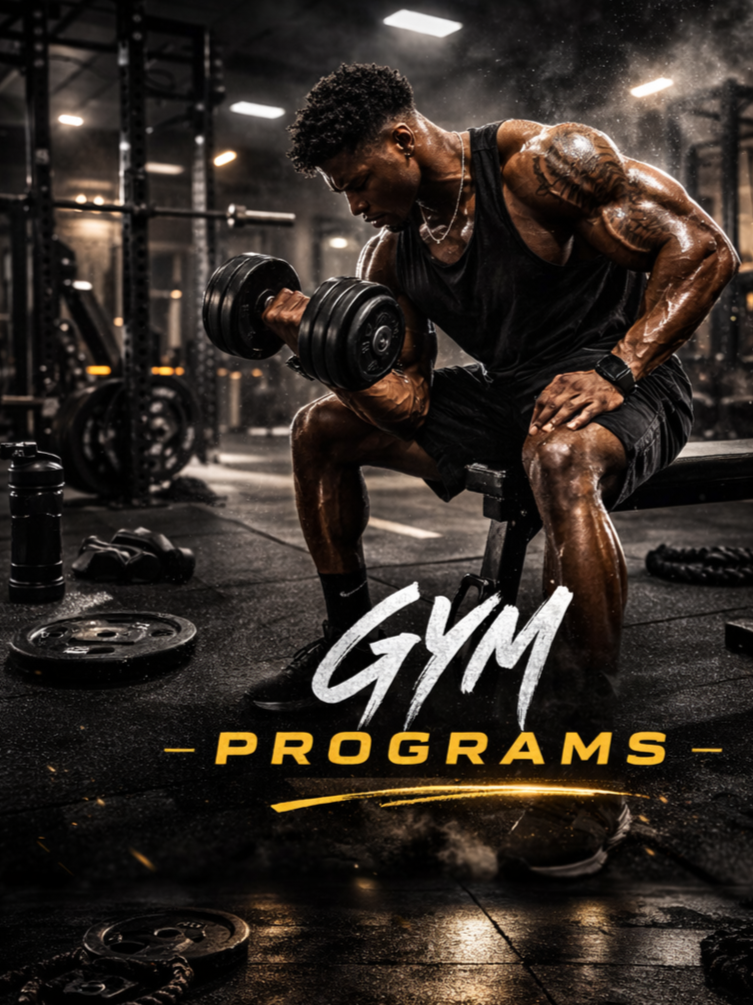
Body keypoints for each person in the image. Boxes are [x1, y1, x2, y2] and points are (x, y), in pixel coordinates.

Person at [245, 63, 738, 875]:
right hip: (510, 391)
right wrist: (316, 342)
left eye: (358, 181)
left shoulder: (538, 166)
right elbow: (404, 403)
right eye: (341, 191)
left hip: (625, 380)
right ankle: (348, 643)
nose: (355, 204)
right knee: (320, 429)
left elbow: (701, 247)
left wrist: (618, 366)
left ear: (402, 140)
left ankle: (585, 754)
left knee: (558, 453)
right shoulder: (391, 256)